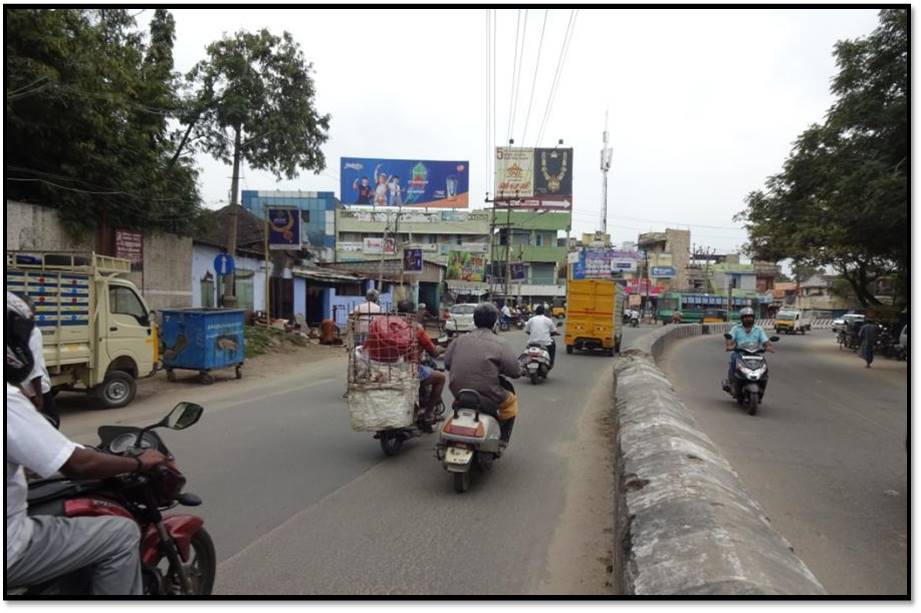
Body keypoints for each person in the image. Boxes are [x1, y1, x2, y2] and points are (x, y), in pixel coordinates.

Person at [5, 292, 169, 595]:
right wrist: (138, 462)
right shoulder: (9, 400)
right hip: (10, 548)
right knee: (120, 534)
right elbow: (79, 465)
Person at [443, 303, 523, 447]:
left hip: (458, 392)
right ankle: (503, 439)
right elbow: (516, 371)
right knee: (511, 403)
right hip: (487, 395)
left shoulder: (459, 340)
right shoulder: (501, 343)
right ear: (494, 322)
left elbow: (447, 363)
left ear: (474, 320)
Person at [396, 300, 446, 422]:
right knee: (441, 378)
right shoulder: (416, 329)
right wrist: (440, 349)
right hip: (410, 369)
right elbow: (432, 351)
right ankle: (428, 413)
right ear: (412, 312)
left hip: (389, 368)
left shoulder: (389, 325)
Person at [18, 295, 57, 424]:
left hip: (17, 390)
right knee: (52, 422)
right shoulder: (33, 331)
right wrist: (38, 397)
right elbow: (34, 367)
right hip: (35, 390)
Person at [724, 307, 773, 384]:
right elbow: (729, 338)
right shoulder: (736, 328)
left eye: (750, 317)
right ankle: (732, 380)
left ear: (753, 318)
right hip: (739, 353)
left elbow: (765, 341)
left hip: (755, 353)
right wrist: (729, 345)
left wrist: (768, 346)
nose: (748, 319)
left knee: (764, 364)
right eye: (746, 317)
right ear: (742, 318)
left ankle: (761, 380)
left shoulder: (759, 329)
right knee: (734, 359)